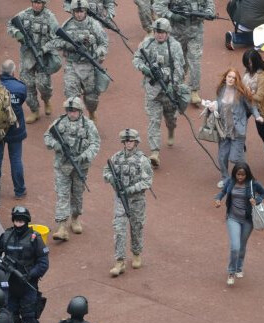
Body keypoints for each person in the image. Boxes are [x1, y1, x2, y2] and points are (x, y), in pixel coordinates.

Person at [153, 0, 215, 106]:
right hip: (177, 33)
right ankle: (177, 85)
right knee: (178, 62)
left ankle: (194, 90)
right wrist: (171, 15)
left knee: (195, 61)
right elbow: (157, 5)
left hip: (195, 32)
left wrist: (208, 13)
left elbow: (210, 4)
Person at [0, 206, 50, 323]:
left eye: (22, 220)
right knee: (12, 319)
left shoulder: (34, 238)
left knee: (29, 318)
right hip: (9, 285)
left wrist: (30, 274)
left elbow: (43, 263)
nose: (19, 223)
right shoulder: (6, 236)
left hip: (27, 285)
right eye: (16, 220)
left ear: (27, 221)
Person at [44, 96, 100, 241]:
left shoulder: (88, 125)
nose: (71, 113)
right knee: (62, 194)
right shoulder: (59, 122)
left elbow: (95, 144)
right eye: (69, 110)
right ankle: (62, 227)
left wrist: (83, 156)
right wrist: (57, 146)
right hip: (62, 165)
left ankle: (75, 218)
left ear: (80, 111)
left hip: (80, 167)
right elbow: (47, 137)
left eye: (74, 110)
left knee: (77, 194)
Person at [132, 18, 185, 167]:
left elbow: (179, 68)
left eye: (162, 32)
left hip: (169, 89)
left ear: (167, 33)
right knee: (153, 121)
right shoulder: (147, 43)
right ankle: (154, 152)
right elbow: (136, 59)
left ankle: (171, 130)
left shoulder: (175, 46)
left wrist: (173, 85)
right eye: (157, 32)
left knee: (170, 118)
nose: (159, 35)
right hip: (152, 91)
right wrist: (144, 69)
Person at [103, 128, 153, 276]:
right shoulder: (116, 158)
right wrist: (112, 179)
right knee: (119, 229)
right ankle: (119, 261)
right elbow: (106, 172)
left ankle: (136, 253)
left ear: (136, 142)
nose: (128, 143)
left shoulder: (142, 160)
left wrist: (130, 189)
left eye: (131, 140)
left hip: (136, 200)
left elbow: (147, 181)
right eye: (126, 141)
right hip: (120, 200)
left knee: (136, 227)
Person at [50, 0, 109, 123]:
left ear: (86, 11)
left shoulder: (94, 25)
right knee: (71, 97)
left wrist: (97, 53)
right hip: (72, 64)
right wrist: (69, 45)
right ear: (72, 11)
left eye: (81, 11)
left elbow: (104, 44)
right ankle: (78, 121)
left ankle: (92, 113)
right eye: (76, 11)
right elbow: (55, 41)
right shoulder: (66, 25)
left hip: (90, 65)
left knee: (92, 98)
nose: (79, 14)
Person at [202, 68, 263, 189]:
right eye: (229, 76)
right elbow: (219, 104)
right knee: (222, 156)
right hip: (223, 130)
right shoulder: (221, 90)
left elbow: (252, 106)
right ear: (225, 77)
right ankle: (225, 178)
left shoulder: (241, 93)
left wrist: (257, 116)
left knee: (235, 158)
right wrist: (212, 106)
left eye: (233, 78)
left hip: (237, 130)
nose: (231, 79)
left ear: (237, 80)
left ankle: (246, 176)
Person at [7, 0, 61, 124]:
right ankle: (34, 110)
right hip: (27, 56)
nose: (36, 5)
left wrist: (44, 49)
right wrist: (17, 34)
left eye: (39, 3)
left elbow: (57, 39)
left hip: (43, 57)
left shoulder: (50, 17)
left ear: (44, 3)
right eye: (34, 2)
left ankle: (47, 100)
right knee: (27, 85)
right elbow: (10, 24)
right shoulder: (24, 15)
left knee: (44, 85)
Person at [214, 162, 264, 286]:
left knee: (242, 246)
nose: (240, 177)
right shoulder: (231, 182)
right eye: (238, 174)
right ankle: (231, 272)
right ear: (234, 174)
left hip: (248, 220)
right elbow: (222, 192)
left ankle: (239, 267)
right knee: (235, 247)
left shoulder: (253, 184)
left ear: (247, 174)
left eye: (243, 175)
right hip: (233, 218)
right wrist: (218, 199)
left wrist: (257, 200)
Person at [0, 59, 28, 199]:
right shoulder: (20, 87)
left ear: (1, 71)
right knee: (16, 159)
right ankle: (19, 191)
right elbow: (21, 100)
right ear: (13, 71)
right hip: (15, 128)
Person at [242, 48, 264, 167]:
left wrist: (247, 94)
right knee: (239, 129)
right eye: (246, 63)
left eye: (250, 63)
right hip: (246, 104)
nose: (248, 66)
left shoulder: (263, 75)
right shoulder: (247, 71)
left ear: (256, 62)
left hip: (259, 106)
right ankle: (242, 155)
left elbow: (260, 96)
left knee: (262, 131)